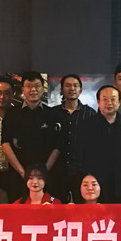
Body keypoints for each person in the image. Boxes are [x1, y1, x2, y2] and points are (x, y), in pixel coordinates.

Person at [1, 71, 61, 201]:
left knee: (46, 209)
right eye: (29, 86)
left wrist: (42, 174)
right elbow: (5, 145)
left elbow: (57, 147)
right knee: (18, 209)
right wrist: (23, 173)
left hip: (46, 176)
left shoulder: (52, 114)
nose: (33, 90)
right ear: (23, 89)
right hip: (18, 176)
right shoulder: (11, 114)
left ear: (43, 89)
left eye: (37, 86)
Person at [73, 85, 121, 203]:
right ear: (98, 102)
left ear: (119, 102)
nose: (109, 103)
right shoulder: (86, 126)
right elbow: (79, 155)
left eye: (113, 99)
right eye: (105, 99)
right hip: (95, 183)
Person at [49, 74, 95, 202]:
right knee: (57, 207)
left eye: (75, 85)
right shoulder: (52, 113)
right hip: (57, 171)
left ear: (80, 90)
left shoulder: (90, 113)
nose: (72, 88)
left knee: (81, 207)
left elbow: (94, 144)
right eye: (68, 86)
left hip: (81, 171)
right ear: (62, 90)